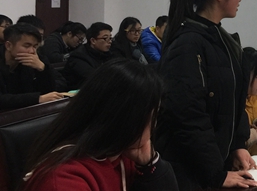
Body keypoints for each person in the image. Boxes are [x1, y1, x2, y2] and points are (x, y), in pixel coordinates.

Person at [155, 0, 257, 190]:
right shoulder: (188, 43)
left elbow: (233, 100)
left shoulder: (220, 38)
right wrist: (215, 174)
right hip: (190, 172)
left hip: (212, 167)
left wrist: (237, 145)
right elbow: (187, 116)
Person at [21, 59, 179, 191]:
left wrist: (150, 162)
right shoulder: (64, 179)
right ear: (129, 119)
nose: (154, 125)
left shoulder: (122, 152)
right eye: (153, 116)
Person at [0, 23, 63, 110]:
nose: (32, 51)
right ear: (9, 46)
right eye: (27, 46)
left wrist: (43, 70)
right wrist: (37, 98)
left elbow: (50, 91)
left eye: (35, 46)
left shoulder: (36, 59)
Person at [61, 22, 117, 89]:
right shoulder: (78, 57)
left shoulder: (108, 54)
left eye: (110, 38)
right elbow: (95, 79)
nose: (110, 41)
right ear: (93, 41)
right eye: (105, 38)